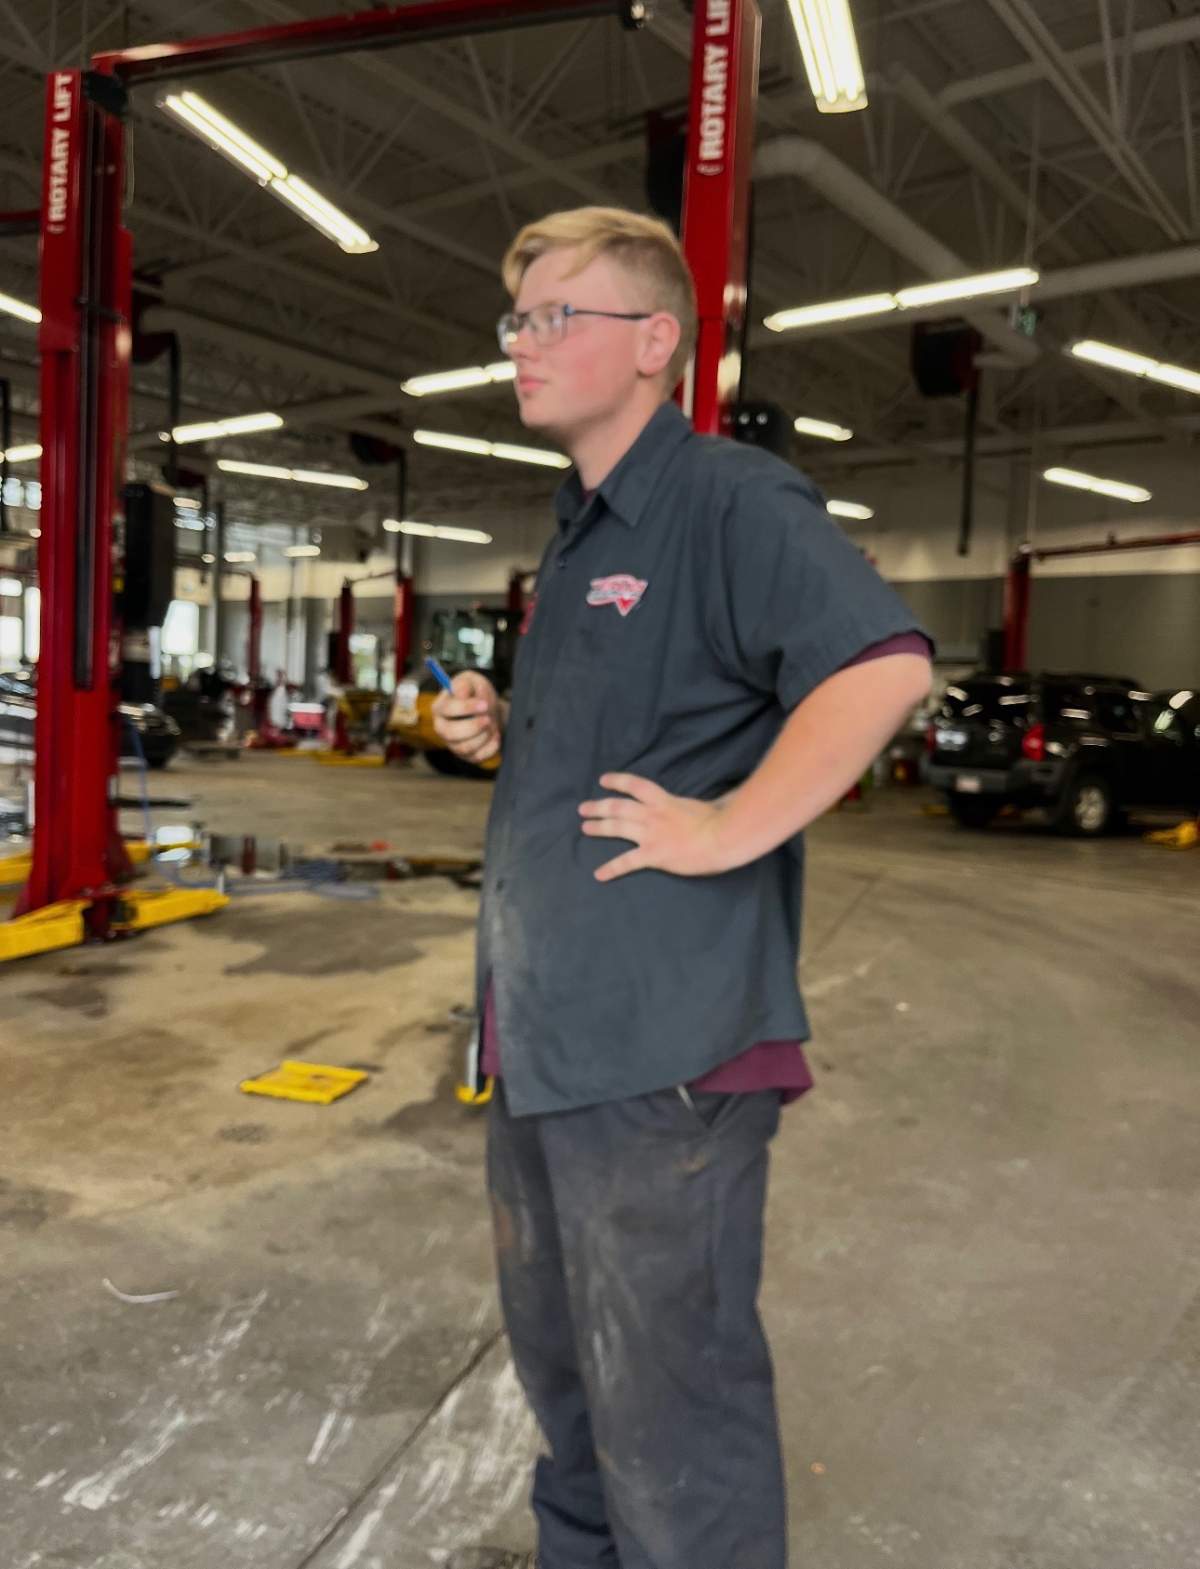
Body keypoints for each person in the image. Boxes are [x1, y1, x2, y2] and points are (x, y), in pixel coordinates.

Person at [433, 207, 932, 1569]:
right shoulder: (583, 529)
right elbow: (622, 740)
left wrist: (728, 825)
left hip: (663, 1062)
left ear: (655, 342)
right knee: (575, 1396)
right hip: (548, 1043)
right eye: (515, 319)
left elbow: (883, 665)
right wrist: (500, 721)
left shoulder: (725, 497)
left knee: (674, 1428)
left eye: (556, 316)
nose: (523, 345)